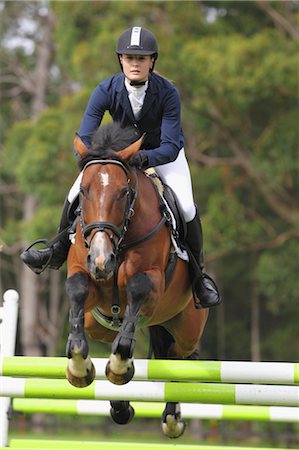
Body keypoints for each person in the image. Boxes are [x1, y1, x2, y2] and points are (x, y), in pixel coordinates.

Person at [21, 26, 220, 308]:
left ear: (153, 61)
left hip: (164, 156)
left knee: (186, 206)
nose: (135, 63)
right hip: (118, 157)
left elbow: (171, 145)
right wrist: (100, 159)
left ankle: (199, 277)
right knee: (76, 192)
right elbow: (85, 136)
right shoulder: (105, 89)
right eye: (129, 58)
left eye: (142, 58)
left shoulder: (168, 93)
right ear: (121, 60)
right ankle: (56, 249)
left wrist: (145, 159)